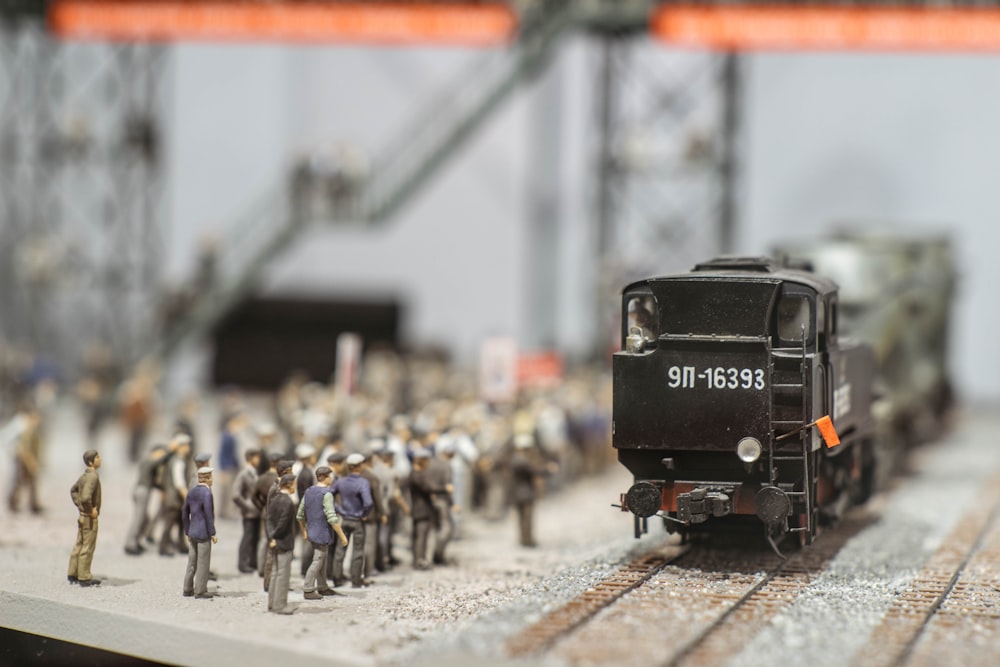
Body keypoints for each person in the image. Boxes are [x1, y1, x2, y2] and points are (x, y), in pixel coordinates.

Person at [297, 466, 347, 600]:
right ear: (324, 477)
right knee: (318, 560)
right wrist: (342, 536)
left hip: (312, 531)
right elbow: (332, 517)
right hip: (322, 533)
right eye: (330, 476)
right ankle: (308, 589)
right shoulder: (327, 494)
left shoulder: (308, 491)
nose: (331, 478)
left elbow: (300, 514)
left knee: (322, 559)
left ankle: (322, 586)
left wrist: (304, 530)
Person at [329, 453, 372, 587]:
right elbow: (368, 502)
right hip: (358, 520)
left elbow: (328, 494)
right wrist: (364, 513)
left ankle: (337, 578)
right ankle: (356, 580)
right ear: (360, 466)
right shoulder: (363, 482)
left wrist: (339, 509)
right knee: (358, 551)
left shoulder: (341, 481)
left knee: (340, 549)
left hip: (344, 519)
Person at [508, 434, 557, 547]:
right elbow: (536, 471)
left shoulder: (514, 458)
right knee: (527, 518)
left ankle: (523, 538)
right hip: (526, 492)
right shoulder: (522, 460)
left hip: (516, 493)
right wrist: (548, 469)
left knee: (521, 517)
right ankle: (527, 540)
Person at [125, 444, 168, 555]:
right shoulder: (147, 461)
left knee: (145, 519)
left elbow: (154, 482)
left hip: (144, 492)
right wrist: (170, 451)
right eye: (160, 453)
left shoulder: (151, 466)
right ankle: (130, 543)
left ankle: (137, 540)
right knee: (138, 519)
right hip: (141, 492)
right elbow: (157, 462)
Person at [182, 466, 217, 599]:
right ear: (207, 478)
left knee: (192, 561)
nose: (212, 480)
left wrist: (187, 530)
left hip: (192, 532)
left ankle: (187, 588)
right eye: (211, 477)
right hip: (203, 533)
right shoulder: (207, 493)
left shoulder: (191, 492)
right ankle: (200, 590)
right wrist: (212, 532)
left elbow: (184, 513)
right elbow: (209, 514)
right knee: (203, 562)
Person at [68, 449, 102, 587]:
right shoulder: (93, 476)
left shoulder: (84, 476)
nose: (101, 459)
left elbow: (73, 490)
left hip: (82, 516)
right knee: (88, 546)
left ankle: (73, 573)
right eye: (98, 457)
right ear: (90, 461)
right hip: (88, 518)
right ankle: (84, 576)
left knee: (79, 544)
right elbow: (86, 497)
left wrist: (79, 506)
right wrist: (90, 509)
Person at [266, 473, 297, 614]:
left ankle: (271, 603)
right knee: (283, 574)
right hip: (284, 541)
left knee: (275, 573)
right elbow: (283, 523)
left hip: (275, 540)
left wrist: (271, 537)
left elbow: (269, 520)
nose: (295, 486)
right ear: (289, 484)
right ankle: (280, 605)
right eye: (294, 484)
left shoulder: (275, 499)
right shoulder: (288, 502)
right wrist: (277, 536)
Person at [3, 404, 44, 514]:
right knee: (19, 480)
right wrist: (31, 462)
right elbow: (22, 448)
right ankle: (14, 503)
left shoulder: (24, 426)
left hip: (21, 456)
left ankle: (32, 504)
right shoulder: (22, 427)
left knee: (30, 481)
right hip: (19, 457)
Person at [232, 448, 261, 573]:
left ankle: (253, 561)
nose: (258, 460)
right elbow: (236, 495)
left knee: (255, 537)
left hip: (257, 511)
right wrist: (248, 506)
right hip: (249, 512)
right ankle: (242, 563)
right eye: (257, 457)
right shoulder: (243, 474)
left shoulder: (254, 472)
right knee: (247, 537)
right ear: (251, 458)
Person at [408, 448, 436, 570]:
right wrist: (443, 488)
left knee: (419, 535)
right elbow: (428, 488)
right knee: (421, 536)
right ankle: (419, 560)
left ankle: (417, 559)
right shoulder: (417, 475)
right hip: (422, 509)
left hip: (418, 509)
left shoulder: (415, 473)